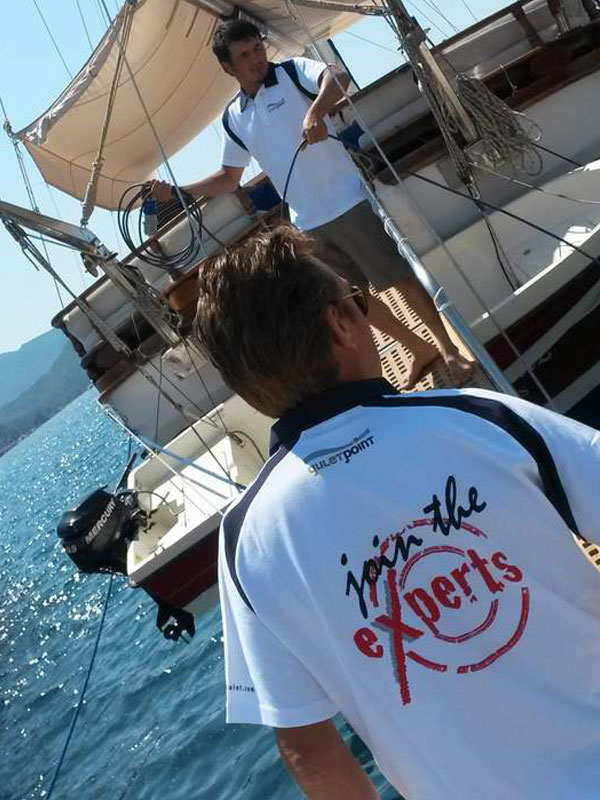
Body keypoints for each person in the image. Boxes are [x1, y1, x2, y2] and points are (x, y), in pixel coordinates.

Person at [193, 224, 600, 800]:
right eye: (358, 302)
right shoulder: (476, 417)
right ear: (340, 324)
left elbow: (309, 747)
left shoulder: (247, 538)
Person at [153, 18, 473, 388]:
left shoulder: (291, 73)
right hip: (307, 223)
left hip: (348, 201)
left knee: (396, 277)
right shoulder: (234, 118)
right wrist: (177, 193)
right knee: (351, 301)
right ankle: (419, 348)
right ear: (228, 67)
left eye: (257, 48)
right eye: (244, 55)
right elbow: (228, 178)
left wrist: (316, 111)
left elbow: (337, 76)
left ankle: (449, 349)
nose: (256, 59)